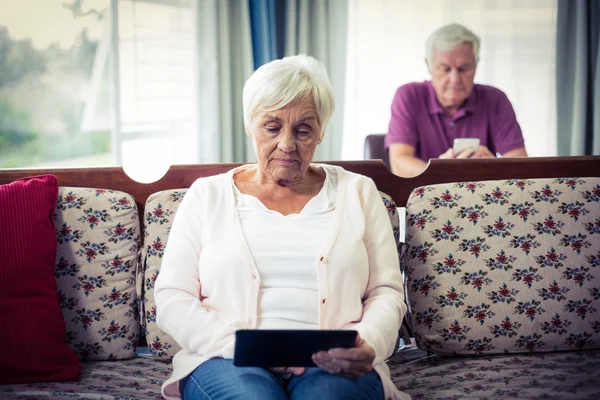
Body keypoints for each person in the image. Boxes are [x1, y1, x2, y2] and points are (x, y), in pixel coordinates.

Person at [154, 54, 408, 400]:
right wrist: (238, 348)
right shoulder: (207, 195)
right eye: (272, 127)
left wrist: (370, 343)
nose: (287, 144)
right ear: (249, 125)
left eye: (303, 130)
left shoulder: (359, 192)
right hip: (226, 359)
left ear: (320, 132)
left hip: (334, 364)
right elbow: (173, 296)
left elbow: (386, 292)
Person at [385, 23, 528, 177]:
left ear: (476, 65)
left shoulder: (495, 100)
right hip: (422, 196)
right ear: (429, 66)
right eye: (445, 69)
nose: (455, 80)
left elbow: (520, 164)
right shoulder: (409, 96)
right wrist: (439, 172)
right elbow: (399, 162)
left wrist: (492, 166)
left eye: (464, 68)